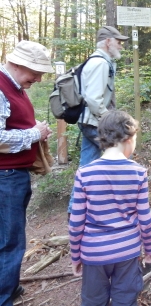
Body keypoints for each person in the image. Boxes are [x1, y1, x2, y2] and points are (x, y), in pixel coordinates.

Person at [69, 110, 151, 305]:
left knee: (93, 300)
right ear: (129, 138)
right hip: (127, 251)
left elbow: (76, 223)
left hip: (93, 252)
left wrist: (76, 256)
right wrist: (150, 249)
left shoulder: (85, 173)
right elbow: (145, 219)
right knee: (125, 299)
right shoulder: (138, 173)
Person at [0, 41, 54, 305]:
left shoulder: (15, 86)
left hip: (13, 174)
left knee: (10, 236)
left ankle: (8, 285)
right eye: (36, 71)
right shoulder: (0, 88)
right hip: (5, 176)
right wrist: (35, 133)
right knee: (10, 241)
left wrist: (35, 130)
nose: (38, 78)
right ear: (19, 64)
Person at [67, 26, 129, 215]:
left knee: (86, 166)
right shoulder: (100, 63)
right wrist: (109, 119)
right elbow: (94, 99)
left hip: (90, 122)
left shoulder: (99, 61)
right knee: (123, 157)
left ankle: (75, 210)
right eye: (118, 41)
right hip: (96, 123)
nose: (121, 45)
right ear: (108, 41)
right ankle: (122, 207)